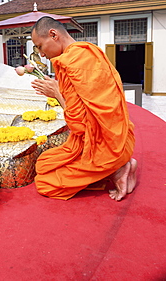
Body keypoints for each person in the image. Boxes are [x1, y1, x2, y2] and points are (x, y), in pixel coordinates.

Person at [31, 16, 137, 201]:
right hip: (118, 140)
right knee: (44, 163)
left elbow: (79, 126)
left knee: (46, 183)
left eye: (39, 46)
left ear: (53, 34)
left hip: (103, 147)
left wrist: (57, 93)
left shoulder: (73, 62)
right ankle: (120, 166)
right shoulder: (89, 52)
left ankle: (117, 169)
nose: (41, 54)